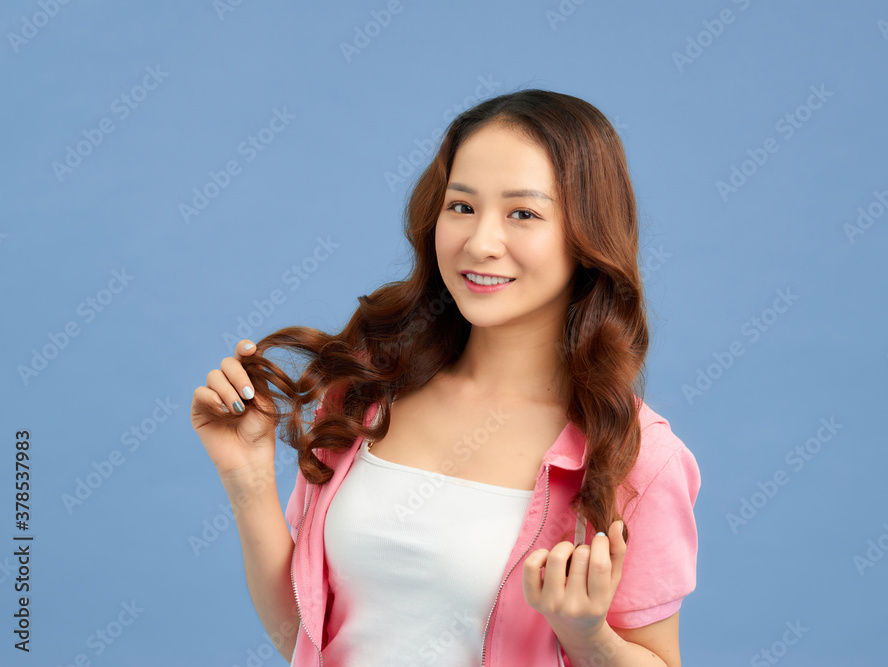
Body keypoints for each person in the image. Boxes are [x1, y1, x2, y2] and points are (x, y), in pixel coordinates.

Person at [190, 88, 700, 666]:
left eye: (523, 214)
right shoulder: (363, 399)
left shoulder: (636, 457)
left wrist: (588, 637)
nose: (480, 243)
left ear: (587, 238)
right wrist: (248, 476)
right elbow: (304, 641)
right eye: (461, 207)